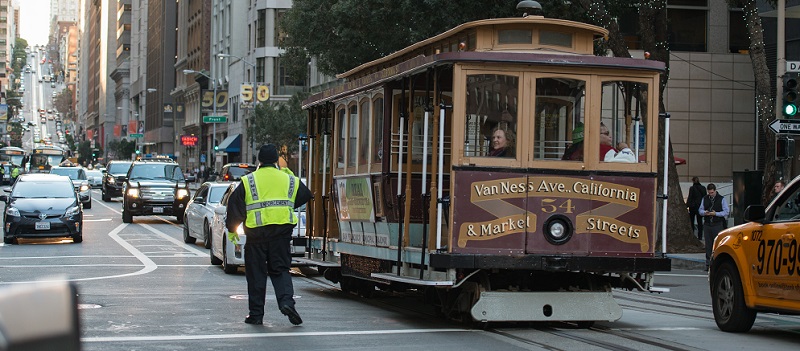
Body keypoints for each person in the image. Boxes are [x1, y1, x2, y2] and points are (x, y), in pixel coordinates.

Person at [225, 144, 312, 326]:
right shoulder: (289, 179)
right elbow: (305, 195)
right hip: (281, 234)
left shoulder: (249, 180)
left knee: (256, 274)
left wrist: (233, 228)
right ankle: (287, 302)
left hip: (256, 235)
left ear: (259, 161)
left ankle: (256, 315)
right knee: (280, 270)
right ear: (276, 161)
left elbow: (235, 206)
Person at [698, 183, 729, 269]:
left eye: (712, 192)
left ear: (715, 191)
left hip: (717, 224)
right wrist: (705, 212)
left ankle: (716, 263)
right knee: (708, 245)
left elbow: (726, 211)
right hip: (707, 224)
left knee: (717, 244)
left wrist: (716, 214)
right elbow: (700, 210)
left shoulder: (721, 199)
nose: (710, 194)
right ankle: (708, 264)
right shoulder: (705, 199)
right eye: (709, 193)